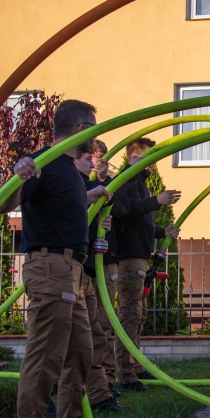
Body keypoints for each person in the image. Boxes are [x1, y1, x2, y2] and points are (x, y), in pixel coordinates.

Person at [1, 100, 114, 418]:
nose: (95, 137)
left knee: (81, 350)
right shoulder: (45, 161)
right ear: (81, 128)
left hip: (73, 270)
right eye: (93, 128)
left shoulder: (68, 170)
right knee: (47, 352)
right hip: (50, 265)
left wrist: (89, 195)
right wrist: (20, 173)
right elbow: (9, 202)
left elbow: (61, 204)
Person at [111, 138, 179, 393]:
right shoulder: (126, 183)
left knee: (139, 315)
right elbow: (125, 211)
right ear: (134, 158)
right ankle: (126, 374)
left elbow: (139, 223)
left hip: (139, 256)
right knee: (129, 315)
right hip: (128, 259)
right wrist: (157, 201)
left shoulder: (140, 185)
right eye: (148, 158)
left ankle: (135, 366)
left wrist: (162, 231)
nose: (152, 164)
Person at [73, 146, 128, 412]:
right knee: (79, 335)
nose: (94, 163)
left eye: (97, 158)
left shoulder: (89, 186)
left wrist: (100, 227)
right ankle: (78, 395)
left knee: (95, 331)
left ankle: (99, 393)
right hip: (77, 266)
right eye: (88, 158)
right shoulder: (72, 185)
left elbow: (115, 205)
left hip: (89, 266)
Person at [89, 139, 120, 393]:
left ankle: (106, 382)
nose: (99, 161)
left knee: (104, 323)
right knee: (90, 327)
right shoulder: (76, 182)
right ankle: (96, 386)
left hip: (103, 259)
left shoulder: (108, 183)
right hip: (84, 261)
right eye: (94, 156)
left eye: (102, 157)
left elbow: (118, 205)